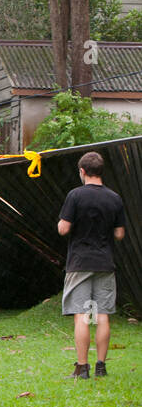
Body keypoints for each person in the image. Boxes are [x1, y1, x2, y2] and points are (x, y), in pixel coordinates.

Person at [57, 151, 124, 379]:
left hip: (80, 262)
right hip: (105, 262)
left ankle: (82, 368)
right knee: (103, 315)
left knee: (82, 315)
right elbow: (120, 234)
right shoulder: (114, 198)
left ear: (82, 171)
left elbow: (64, 229)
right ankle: (101, 367)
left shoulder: (75, 195)